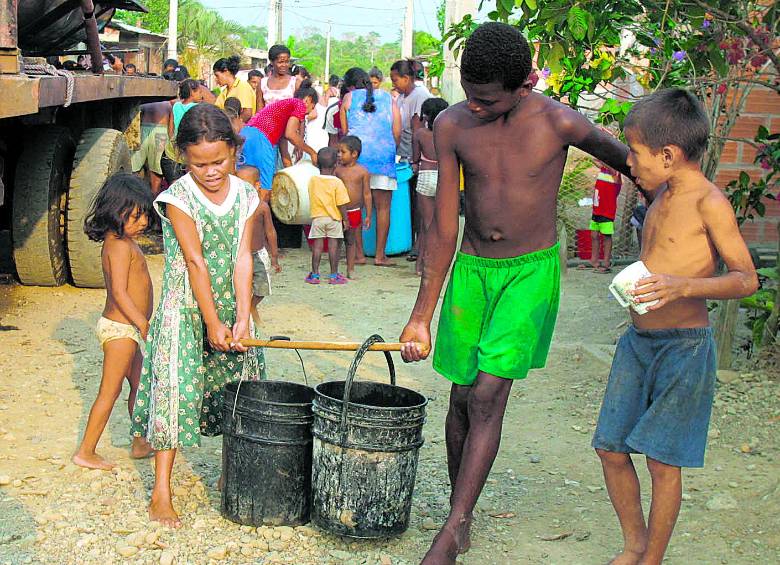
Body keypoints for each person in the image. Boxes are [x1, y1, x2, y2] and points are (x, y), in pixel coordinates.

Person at [398, 22, 634, 564]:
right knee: (460, 395)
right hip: (474, 272)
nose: (473, 106)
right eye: (468, 94)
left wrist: (674, 194)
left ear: (524, 85)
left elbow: (628, 159)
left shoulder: (558, 121)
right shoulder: (454, 125)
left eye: (487, 100)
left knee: (487, 394)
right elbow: (443, 227)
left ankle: (453, 529)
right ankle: (465, 511)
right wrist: (421, 316)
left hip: (529, 273)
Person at [592, 89, 757, 565]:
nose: (629, 160)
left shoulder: (710, 203)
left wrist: (682, 287)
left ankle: (652, 560)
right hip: (638, 342)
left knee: (663, 461)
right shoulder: (660, 193)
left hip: (684, 348)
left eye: (635, 151)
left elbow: (746, 279)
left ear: (668, 155)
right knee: (610, 448)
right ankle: (634, 544)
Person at [131, 104, 264, 528]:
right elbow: (195, 262)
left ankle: (231, 473)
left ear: (234, 150)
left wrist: (242, 317)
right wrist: (211, 322)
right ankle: (161, 490)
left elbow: (244, 258)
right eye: (199, 163)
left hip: (230, 307)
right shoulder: (177, 198)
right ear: (183, 156)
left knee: (239, 392)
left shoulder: (246, 194)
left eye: (219, 161)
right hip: (187, 311)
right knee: (176, 392)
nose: (210, 171)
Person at [72, 174, 155, 470]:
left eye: (145, 214)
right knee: (111, 390)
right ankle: (86, 450)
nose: (143, 221)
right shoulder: (118, 245)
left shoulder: (124, 241)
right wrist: (143, 325)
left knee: (141, 383)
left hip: (128, 329)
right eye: (135, 216)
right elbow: (119, 292)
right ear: (115, 211)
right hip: (121, 329)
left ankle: (140, 441)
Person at [339, 67, 401, 266]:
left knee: (355, 207)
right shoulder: (389, 98)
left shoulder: (348, 98)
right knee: (383, 209)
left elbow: (346, 133)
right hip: (384, 158)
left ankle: (358, 254)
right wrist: (388, 150)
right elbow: (397, 131)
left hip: (358, 158)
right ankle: (380, 256)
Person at [242, 82, 320, 194]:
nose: (311, 111)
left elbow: (285, 155)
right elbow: (290, 134)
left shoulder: (286, 109)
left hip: (247, 133)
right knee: (265, 186)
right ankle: (263, 210)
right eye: (313, 107)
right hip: (261, 137)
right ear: (308, 100)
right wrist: (312, 153)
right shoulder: (300, 104)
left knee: (249, 181)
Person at [391, 59, 432, 263]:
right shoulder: (401, 98)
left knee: (418, 205)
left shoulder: (420, 96)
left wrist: (416, 161)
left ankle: (419, 245)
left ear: (407, 78)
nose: (394, 83)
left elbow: (418, 131)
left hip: (416, 157)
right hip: (404, 154)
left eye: (396, 79)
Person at [236, 166, 281, 327]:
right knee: (240, 286)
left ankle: (251, 306)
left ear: (257, 185)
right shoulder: (234, 208)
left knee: (262, 287)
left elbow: (270, 232)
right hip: (238, 255)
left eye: (246, 184)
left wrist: (274, 256)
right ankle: (244, 311)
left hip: (258, 254)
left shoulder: (262, 207)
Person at [412, 97, 449, 276]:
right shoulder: (450, 133)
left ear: (426, 115)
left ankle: (421, 265)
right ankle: (438, 264)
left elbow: (415, 159)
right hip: (445, 179)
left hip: (426, 177)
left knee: (426, 226)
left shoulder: (420, 134)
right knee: (442, 225)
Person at [305, 147, 350, 285]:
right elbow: (341, 203)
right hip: (334, 219)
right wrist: (345, 219)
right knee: (333, 247)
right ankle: (333, 275)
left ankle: (315, 274)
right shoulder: (337, 182)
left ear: (317, 164)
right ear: (336, 164)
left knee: (317, 247)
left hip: (318, 218)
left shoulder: (313, 180)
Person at [335, 136, 372, 279]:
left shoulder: (362, 172)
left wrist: (368, 215)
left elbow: (367, 194)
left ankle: (351, 269)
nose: (339, 155)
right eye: (338, 152)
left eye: (342, 152)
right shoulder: (337, 171)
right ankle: (335, 269)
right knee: (338, 240)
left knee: (352, 241)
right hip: (339, 211)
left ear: (354, 154)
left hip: (355, 211)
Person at [161, 79, 207, 185]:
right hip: (189, 146)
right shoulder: (197, 108)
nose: (201, 95)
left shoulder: (176, 106)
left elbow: (171, 127)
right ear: (192, 92)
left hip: (174, 147)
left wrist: (172, 139)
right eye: (199, 92)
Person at [582, 161, 622, 272]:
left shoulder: (615, 174)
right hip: (597, 209)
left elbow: (613, 171)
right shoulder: (603, 171)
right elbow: (595, 161)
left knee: (606, 236)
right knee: (594, 235)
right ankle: (594, 260)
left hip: (607, 211)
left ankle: (606, 262)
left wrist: (606, 161)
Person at [132, 102, 171, 196]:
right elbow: (171, 124)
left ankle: (134, 193)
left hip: (143, 129)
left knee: (134, 166)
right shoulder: (169, 103)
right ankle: (154, 197)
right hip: (161, 131)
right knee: (156, 169)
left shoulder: (145, 102)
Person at [256, 44, 303, 109]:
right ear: (271, 62)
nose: (284, 65)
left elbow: (300, 110)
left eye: (287, 62)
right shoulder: (263, 83)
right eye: (280, 62)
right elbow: (259, 111)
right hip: (267, 119)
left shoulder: (295, 83)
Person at [214, 55, 256, 122]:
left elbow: (247, 113)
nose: (216, 79)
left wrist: (233, 127)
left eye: (217, 75)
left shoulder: (242, 86)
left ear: (226, 71)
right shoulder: (224, 92)